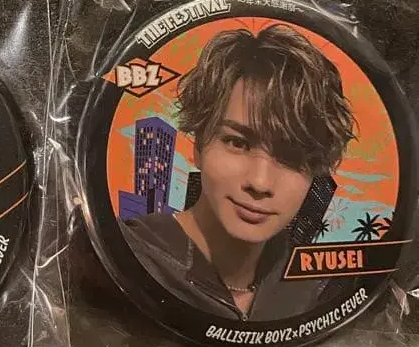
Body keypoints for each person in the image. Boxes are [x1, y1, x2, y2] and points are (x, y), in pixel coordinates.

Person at [121, 24, 357, 321]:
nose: (259, 182)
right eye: (237, 142)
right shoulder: (127, 254)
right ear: (199, 144)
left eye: (291, 156)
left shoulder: (314, 293)